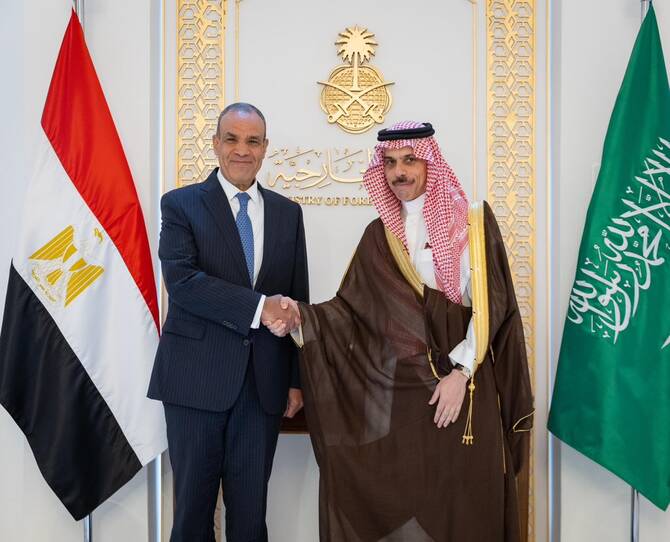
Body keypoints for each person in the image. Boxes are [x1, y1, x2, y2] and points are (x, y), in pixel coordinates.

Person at [266, 121, 534, 541]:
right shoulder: (379, 235)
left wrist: (461, 374)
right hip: (408, 399)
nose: (399, 172)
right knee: (412, 505)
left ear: (429, 162)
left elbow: (492, 305)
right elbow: (350, 312)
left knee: (464, 506)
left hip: (465, 391)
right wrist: (301, 316)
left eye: (409, 160)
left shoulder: (473, 223)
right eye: (390, 163)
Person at [147, 102, 307, 542]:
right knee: (192, 517)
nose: (242, 150)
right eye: (232, 139)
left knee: (251, 519)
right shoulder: (180, 204)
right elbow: (183, 283)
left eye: (252, 141)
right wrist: (259, 307)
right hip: (194, 383)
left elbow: (298, 300)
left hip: (262, 387)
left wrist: (296, 380)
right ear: (216, 144)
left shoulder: (288, 213)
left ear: (265, 148)